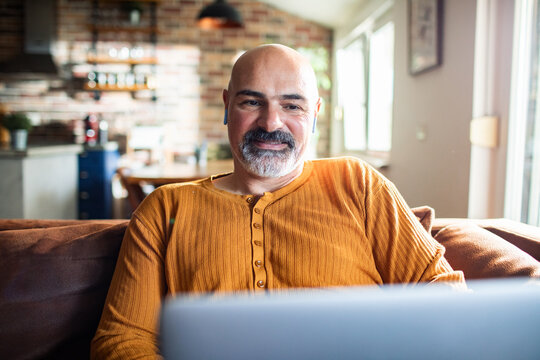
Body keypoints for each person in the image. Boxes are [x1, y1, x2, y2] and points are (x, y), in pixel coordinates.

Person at [91, 44, 464, 359]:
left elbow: (441, 289)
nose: (271, 123)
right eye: (252, 102)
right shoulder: (164, 208)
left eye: (292, 106)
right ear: (226, 107)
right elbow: (122, 338)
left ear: (314, 113)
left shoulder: (359, 184)